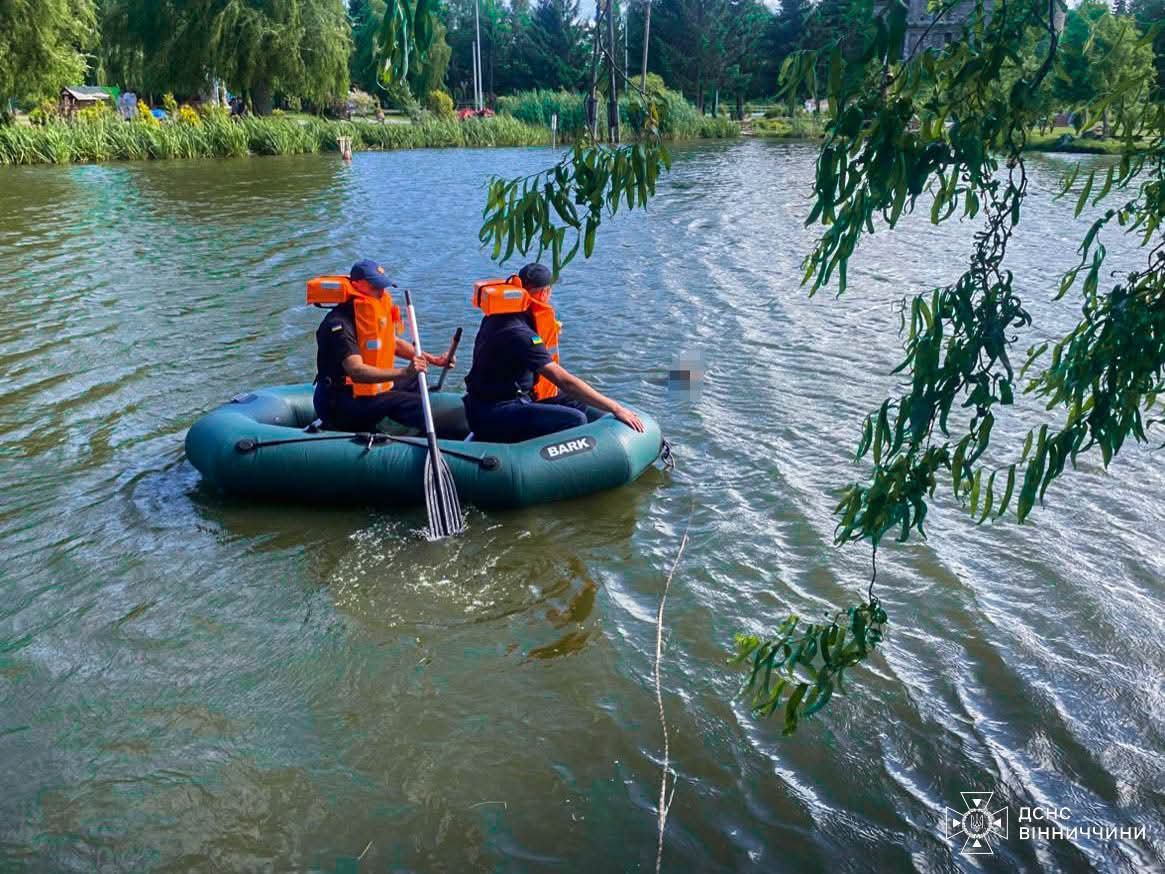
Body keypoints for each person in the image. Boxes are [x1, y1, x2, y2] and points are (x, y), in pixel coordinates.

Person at [463, 263, 644, 443]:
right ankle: (533, 458)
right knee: (575, 420)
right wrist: (615, 408)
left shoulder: (498, 317)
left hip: (493, 403)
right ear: (544, 293)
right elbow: (564, 381)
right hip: (493, 414)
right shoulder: (520, 334)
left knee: (578, 403)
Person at [312, 260, 454, 432]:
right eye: (375, 287)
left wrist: (433, 359)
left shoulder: (367, 314)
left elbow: (392, 343)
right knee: (417, 404)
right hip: (341, 401)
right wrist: (404, 371)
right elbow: (356, 371)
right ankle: (417, 445)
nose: (380, 292)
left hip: (366, 392)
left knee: (415, 380)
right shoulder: (338, 325)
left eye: (382, 287)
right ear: (356, 285)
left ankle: (398, 429)